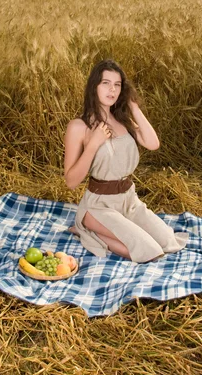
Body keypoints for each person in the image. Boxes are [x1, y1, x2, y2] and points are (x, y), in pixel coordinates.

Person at [64, 59, 188, 263]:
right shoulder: (79, 127)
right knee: (149, 250)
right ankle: (86, 229)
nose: (112, 89)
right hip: (98, 205)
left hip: (128, 200)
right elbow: (71, 182)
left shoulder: (122, 121)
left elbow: (153, 143)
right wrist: (94, 144)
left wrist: (133, 107)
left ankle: (96, 229)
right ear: (94, 86)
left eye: (117, 84)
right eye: (105, 83)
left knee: (167, 241)